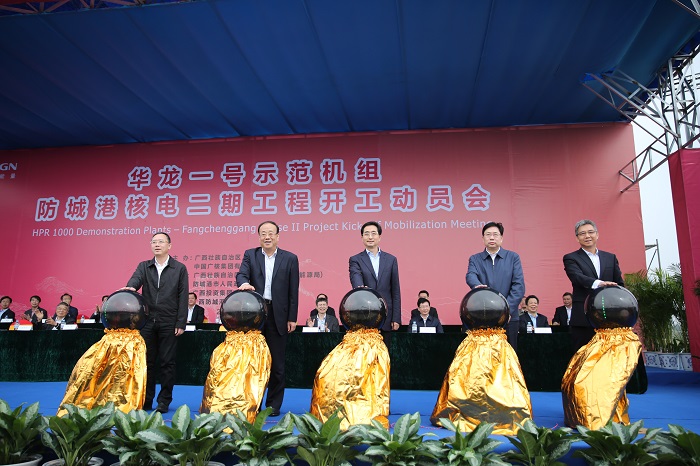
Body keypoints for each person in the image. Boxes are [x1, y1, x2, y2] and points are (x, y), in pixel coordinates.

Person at [236, 220, 299, 417]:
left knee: (277, 364)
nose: (267, 236)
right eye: (263, 233)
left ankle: (273, 405)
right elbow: (241, 274)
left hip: (279, 315)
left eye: (271, 233)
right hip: (255, 314)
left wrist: (292, 317)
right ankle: (251, 402)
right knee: (252, 361)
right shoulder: (251, 255)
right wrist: (244, 283)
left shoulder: (290, 258)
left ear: (278, 236)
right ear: (259, 237)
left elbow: (293, 291)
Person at [123, 231, 189, 414]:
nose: (157, 245)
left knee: (167, 363)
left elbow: (183, 295)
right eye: (154, 242)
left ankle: (164, 401)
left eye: (161, 242)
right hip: (147, 322)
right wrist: (131, 286)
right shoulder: (144, 266)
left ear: (169, 246)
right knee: (147, 362)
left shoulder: (179, 268)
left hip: (169, 321)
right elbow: (136, 279)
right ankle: (146, 399)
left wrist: (180, 322)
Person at [563, 219, 624, 350]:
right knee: (583, 355)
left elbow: (619, 283)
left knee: (610, 355)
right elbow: (577, 277)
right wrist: (599, 284)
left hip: (609, 316)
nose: (587, 236)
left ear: (597, 234)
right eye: (582, 233)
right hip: (583, 316)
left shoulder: (610, 257)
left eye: (591, 232)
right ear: (577, 238)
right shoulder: (571, 258)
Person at [466, 221, 525, 349]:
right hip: (482, 317)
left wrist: (506, 311)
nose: (491, 238)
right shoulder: (475, 259)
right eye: (488, 235)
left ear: (501, 238)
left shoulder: (513, 257)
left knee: (508, 355)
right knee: (483, 354)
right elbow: (471, 275)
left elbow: (518, 286)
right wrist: (476, 285)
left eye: (495, 234)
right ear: (483, 238)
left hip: (508, 318)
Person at [349, 221, 401, 344]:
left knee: (385, 353)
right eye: (366, 234)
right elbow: (356, 280)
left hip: (386, 318)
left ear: (379, 237)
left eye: (373, 233)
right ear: (362, 237)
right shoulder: (355, 259)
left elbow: (395, 291)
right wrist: (360, 289)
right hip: (364, 317)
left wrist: (396, 318)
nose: (370, 237)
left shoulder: (391, 260)